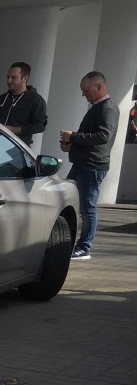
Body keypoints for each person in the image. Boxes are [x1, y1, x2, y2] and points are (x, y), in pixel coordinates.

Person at [59, 70, 119, 260]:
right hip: (84, 163)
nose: (83, 94)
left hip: (92, 166)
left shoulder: (107, 109)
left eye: (86, 90)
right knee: (69, 202)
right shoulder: (98, 108)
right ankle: (72, 243)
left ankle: (84, 247)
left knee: (87, 208)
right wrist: (72, 144)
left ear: (98, 87)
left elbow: (103, 136)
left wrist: (74, 137)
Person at [0, 62, 48, 147]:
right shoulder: (1, 99)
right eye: (8, 77)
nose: (9, 81)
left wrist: (14, 130)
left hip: (18, 150)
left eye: (14, 77)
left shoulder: (36, 100)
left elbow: (40, 126)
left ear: (25, 78)